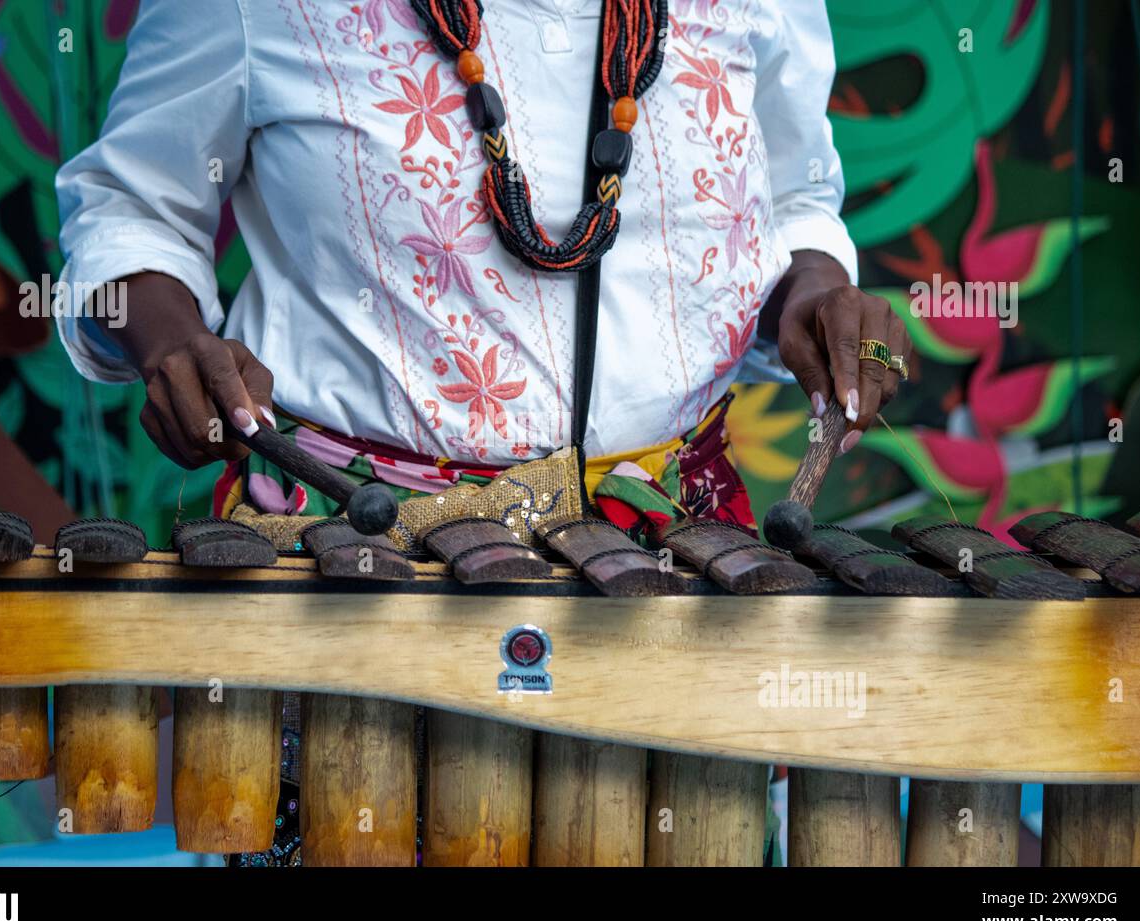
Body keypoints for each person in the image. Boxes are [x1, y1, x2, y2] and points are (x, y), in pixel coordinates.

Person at [56, 0, 912, 548]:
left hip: (679, 559)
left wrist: (810, 290)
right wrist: (169, 338)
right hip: (358, 554)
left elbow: (795, 193)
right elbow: (133, 202)